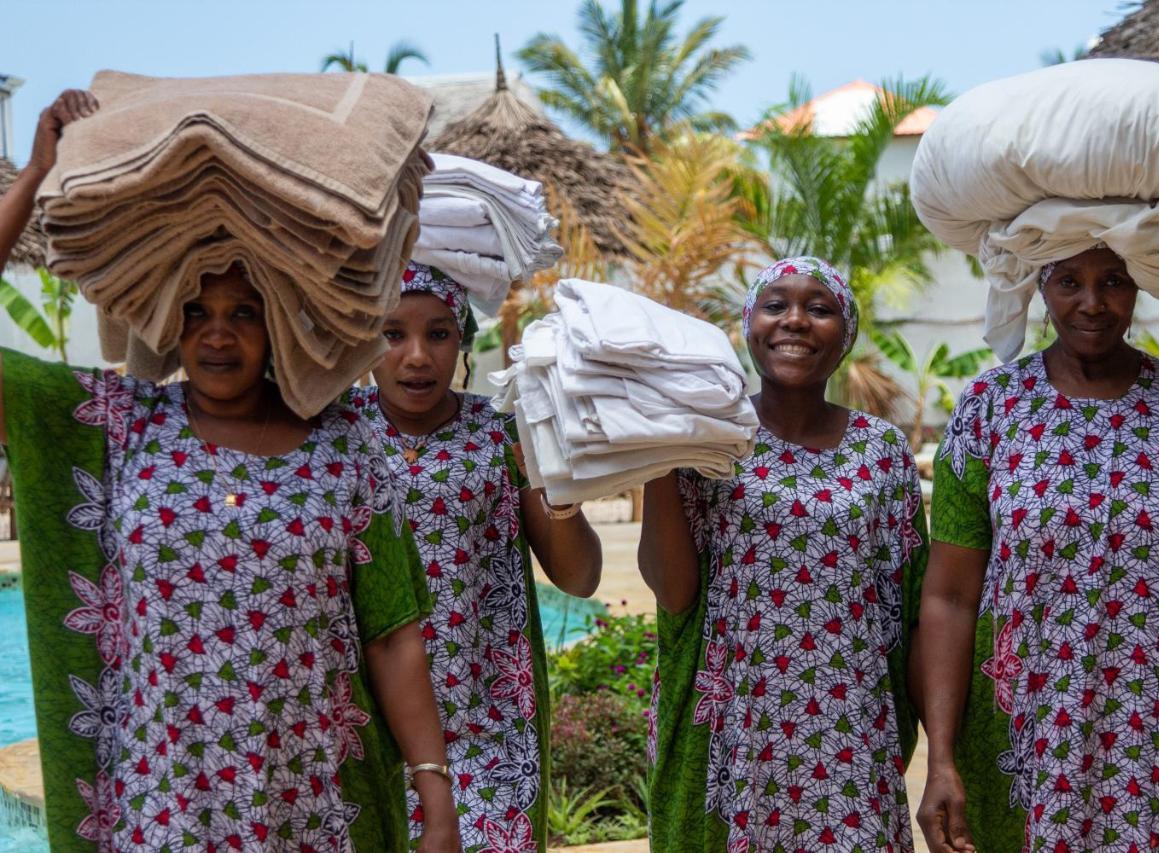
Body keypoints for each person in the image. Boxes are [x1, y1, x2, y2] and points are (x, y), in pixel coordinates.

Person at [0, 90, 462, 852]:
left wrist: (434, 790)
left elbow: (392, 635)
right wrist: (36, 173)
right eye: (196, 313)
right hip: (163, 815)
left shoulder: (342, 444)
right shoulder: (117, 426)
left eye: (242, 313)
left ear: (277, 319)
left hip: (319, 815)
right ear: (168, 324)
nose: (218, 336)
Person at [915, 244, 1159, 852]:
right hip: (1027, 742)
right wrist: (942, 758)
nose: (1092, 302)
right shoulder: (990, 409)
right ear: (1039, 287)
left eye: (1113, 280)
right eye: (1068, 281)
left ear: (1138, 288)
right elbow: (950, 596)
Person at [638, 257, 928, 851]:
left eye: (819, 309)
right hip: (733, 731)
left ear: (844, 335)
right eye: (776, 306)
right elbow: (673, 593)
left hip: (850, 732)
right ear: (749, 324)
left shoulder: (882, 451)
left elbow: (913, 608)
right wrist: (661, 456)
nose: (794, 321)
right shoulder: (706, 437)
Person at [346, 260, 603, 851]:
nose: (416, 355)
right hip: (362, 727)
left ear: (463, 340)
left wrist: (549, 478)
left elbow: (580, 576)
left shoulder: (504, 435)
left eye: (438, 333)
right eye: (392, 333)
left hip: (488, 727)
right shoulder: (334, 437)